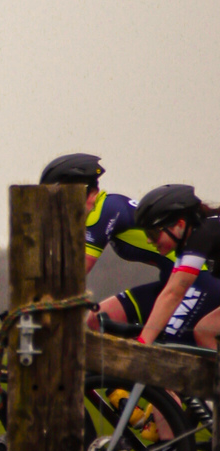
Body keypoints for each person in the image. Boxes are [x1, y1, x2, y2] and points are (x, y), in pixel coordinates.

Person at [38, 153, 182, 336]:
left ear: (81, 192)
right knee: (96, 321)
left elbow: (75, 273)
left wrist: (33, 305)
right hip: (172, 280)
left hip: (193, 279)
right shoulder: (105, 206)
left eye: (59, 201)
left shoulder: (101, 211)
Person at [128, 186, 220, 357]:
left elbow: (175, 293)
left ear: (180, 225)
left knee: (205, 331)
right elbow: (169, 291)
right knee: (205, 331)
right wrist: (145, 337)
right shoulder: (193, 240)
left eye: (154, 233)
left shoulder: (204, 234)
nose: (149, 240)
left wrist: (142, 343)